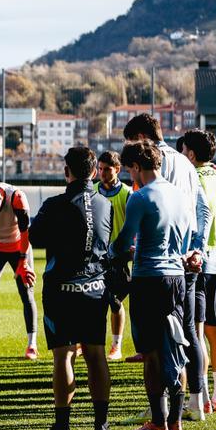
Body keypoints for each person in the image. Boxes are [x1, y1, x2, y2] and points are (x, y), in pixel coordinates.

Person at [122, 114, 209, 424]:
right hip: (182, 265)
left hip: (153, 269)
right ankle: (195, 403)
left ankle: (159, 417)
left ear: (143, 139)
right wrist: (196, 249)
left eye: (132, 145)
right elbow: (202, 209)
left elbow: (156, 214)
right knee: (183, 338)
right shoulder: (187, 163)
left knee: (155, 350)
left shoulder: (156, 176)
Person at [29, 147, 113, 430]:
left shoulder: (55, 204)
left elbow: (34, 237)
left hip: (61, 290)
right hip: (95, 290)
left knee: (63, 357)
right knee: (96, 354)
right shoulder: (105, 204)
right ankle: (100, 426)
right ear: (93, 172)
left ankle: (62, 427)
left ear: (67, 172)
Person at [180, 130, 216, 412]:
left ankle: (200, 397)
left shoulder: (195, 178)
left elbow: (201, 216)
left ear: (190, 154)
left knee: (197, 329)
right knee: (215, 328)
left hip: (202, 259)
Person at [0, 181, 39, 359]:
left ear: (2, 199)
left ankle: (32, 345)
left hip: (19, 248)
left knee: (26, 293)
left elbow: (26, 232)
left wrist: (23, 262)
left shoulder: (17, 197)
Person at [96, 151, 131, 361]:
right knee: (91, 302)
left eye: (106, 169)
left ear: (117, 169)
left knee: (115, 302)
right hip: (96, 257)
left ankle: (116, 345)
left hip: (118, 257)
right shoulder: (92, 191)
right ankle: (87, 342)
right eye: (100, 169)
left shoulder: (127, 194)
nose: (102, 173)